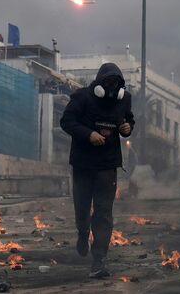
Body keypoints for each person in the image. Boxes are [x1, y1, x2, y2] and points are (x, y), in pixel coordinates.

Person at [59, 63, 134, 278]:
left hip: (107, 166)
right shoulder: (82, 97)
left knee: (103, 213)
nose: (111, 89)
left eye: (116, 85)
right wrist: (88, 134)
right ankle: (83, 233)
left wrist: (127, 128)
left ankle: (99, 259)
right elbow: (66, 122)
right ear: (99, 84)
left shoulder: (124, 99)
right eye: (107, 84)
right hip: (83, 164)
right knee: (82, 209)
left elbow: (128, 119)